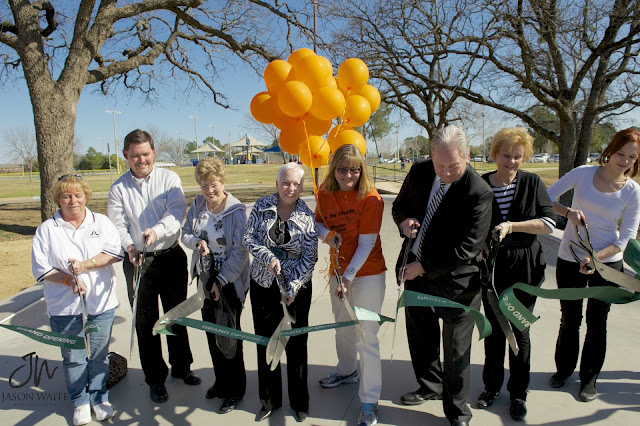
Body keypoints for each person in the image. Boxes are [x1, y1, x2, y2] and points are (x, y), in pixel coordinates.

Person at [392, 125, 493, 426]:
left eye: (454, 166)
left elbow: (467, 248)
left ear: (468, 156)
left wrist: (422, 266)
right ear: (430, 157)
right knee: (420, 335)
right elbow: (399, 206)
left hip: (457, 281)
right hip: (415, 272)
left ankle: (458, 410)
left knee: (456, 349)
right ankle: (429, 385)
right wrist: (404, 221)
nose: (446, 173)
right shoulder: (421, 171)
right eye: (440, 165)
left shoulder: (479, 192)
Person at [107, 129, 201, 404]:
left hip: (170, 257)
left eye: (145, 154)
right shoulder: (118, 188)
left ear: (153, 153)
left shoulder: (168, 178)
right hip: (138, 261)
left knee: (175, 316)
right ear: (126, 155)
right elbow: (118, 224)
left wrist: (157, 231)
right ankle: (155, 379)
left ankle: (182, 367)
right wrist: (130, 247)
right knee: (146, 322)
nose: (141, 160)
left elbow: (176, 211)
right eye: (135, 155)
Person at [547, 128, 640, 402]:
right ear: (610, 149)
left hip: (608, 264)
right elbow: (546, 198)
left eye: (631, 157)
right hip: (569, 259)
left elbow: (625, 239)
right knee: (570, 320)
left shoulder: (633, 192)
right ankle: (563, 371)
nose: (624, 160)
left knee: (597, 323)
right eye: (621, 153)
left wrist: (596, 259)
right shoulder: (583, 173)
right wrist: (568, 212)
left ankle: (589, 379)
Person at [475, 127, 555, 420]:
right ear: (494, 154)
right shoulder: (481, 184)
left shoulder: (533, 183)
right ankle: (491, 387)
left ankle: (518, 393)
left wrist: (513, 225)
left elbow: (549, 223)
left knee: (519, 330)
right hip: (492, 268)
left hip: (525, 267)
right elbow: (471, 222)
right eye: (506, 155)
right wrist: (481, 242)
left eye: (517, 156)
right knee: (494, 330)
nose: (511, 162)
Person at [32, 174, 123, 426]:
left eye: (78, 195)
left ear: (86, 196)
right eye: (66, 196)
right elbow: (41, 269)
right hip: (64, 306)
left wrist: (85, 265)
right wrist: (68, 279)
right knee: (73, 356)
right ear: (58, 200)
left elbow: (114, 253)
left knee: (98, 354)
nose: (73, 201)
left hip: (100, 302)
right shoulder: (47, 230)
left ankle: (99, 397)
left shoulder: (101, 222)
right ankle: (80, 401)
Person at [315, 144, 387, 426]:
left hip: (367, 274)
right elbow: (318, 223)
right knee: (342, 326)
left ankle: (369, 401)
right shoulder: (324, 192)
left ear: (362, 169)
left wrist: (347, 278)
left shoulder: (371, 198)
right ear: (334, 169)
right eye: (342, 169)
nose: (348, 175)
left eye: (354, 169)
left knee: (366, 336)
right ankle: (347, 371)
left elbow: (367, 243)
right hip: (338, 271)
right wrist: (328, 235)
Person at [243, 163, 318, 422]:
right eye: (286, 182)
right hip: (263, 284)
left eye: (296, 184)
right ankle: (269, 401)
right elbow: (249, 239)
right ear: (277, 184)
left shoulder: (307, 215)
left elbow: (310, 255)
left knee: (297, 346)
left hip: (297, 289)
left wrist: (293, 287)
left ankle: (299, 402)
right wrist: (267, 257)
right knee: (267, 343)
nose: (291, 188)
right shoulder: (261, 207)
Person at [181, 157, 250, 414]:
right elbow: (185, 233)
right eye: (204, 186)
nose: (209, 191)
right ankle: (221, 383)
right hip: (205, 276)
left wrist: (221, 281)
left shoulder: (237, 211)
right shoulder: (198, 204)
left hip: (229, 281)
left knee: (229, 336)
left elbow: (241, 252)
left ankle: (235, 390)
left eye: (213, 185)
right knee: (212, 332)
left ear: (223, 182)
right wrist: (197, 243)